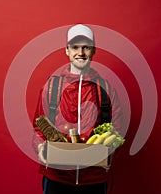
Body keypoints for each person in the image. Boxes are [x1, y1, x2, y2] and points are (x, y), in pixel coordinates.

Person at [32, 24, 123, 194]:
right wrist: (40, 148)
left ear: (93, 50)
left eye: (86, 47)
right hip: (57, 177)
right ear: (67, 50)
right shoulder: (52, 87)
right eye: (75, 47)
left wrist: (110, 152)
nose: (80, 52)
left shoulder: (106, 89)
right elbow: (38, 127)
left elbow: (117, 130)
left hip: (94, 178)